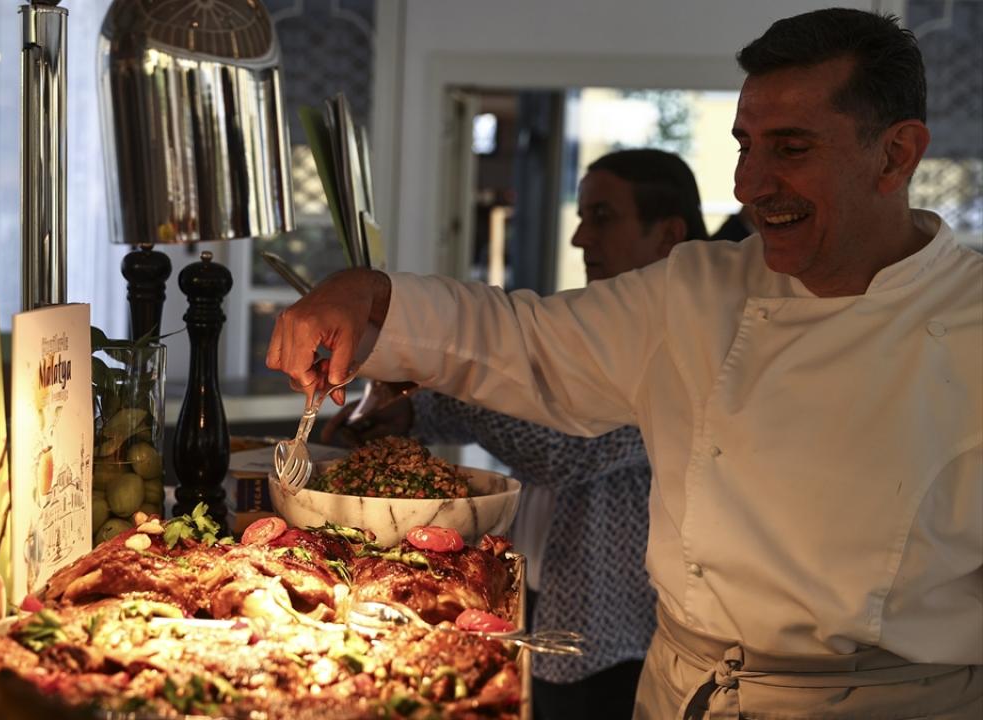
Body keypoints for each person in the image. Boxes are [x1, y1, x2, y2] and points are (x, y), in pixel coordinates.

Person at [268, 8, 981, 719]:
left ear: (896, 155)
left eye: (791, 148)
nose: (749, 185)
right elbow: (525, 340)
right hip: (681, 690)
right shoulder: (697, 288)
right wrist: (371, 297)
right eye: (745, 147)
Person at [323, 149, 711, 720]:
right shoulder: (596, 330)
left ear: (669, 235)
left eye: (603, 217)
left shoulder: (685, 347)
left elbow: (559, 450)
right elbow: (515, 405)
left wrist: (439, 374)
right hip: (539, 585)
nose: (580, 237)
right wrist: (409, 417)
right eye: (581, 216)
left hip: (610, 634)